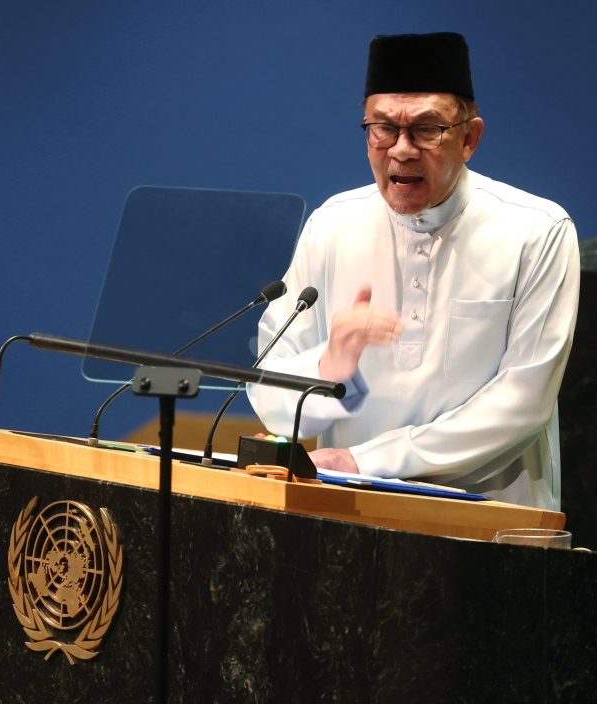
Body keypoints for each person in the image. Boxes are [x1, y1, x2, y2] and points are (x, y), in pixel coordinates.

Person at [247, 32, 579, 510]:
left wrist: (371, 461)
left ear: (470, 138)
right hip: (350, 517)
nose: (401, 150)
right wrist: (329, 365)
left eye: (426, 129)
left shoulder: (536, 232)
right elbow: (269, 394)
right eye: (382, 128)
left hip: (489, 523)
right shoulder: (333, 226)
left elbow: (522, 403)